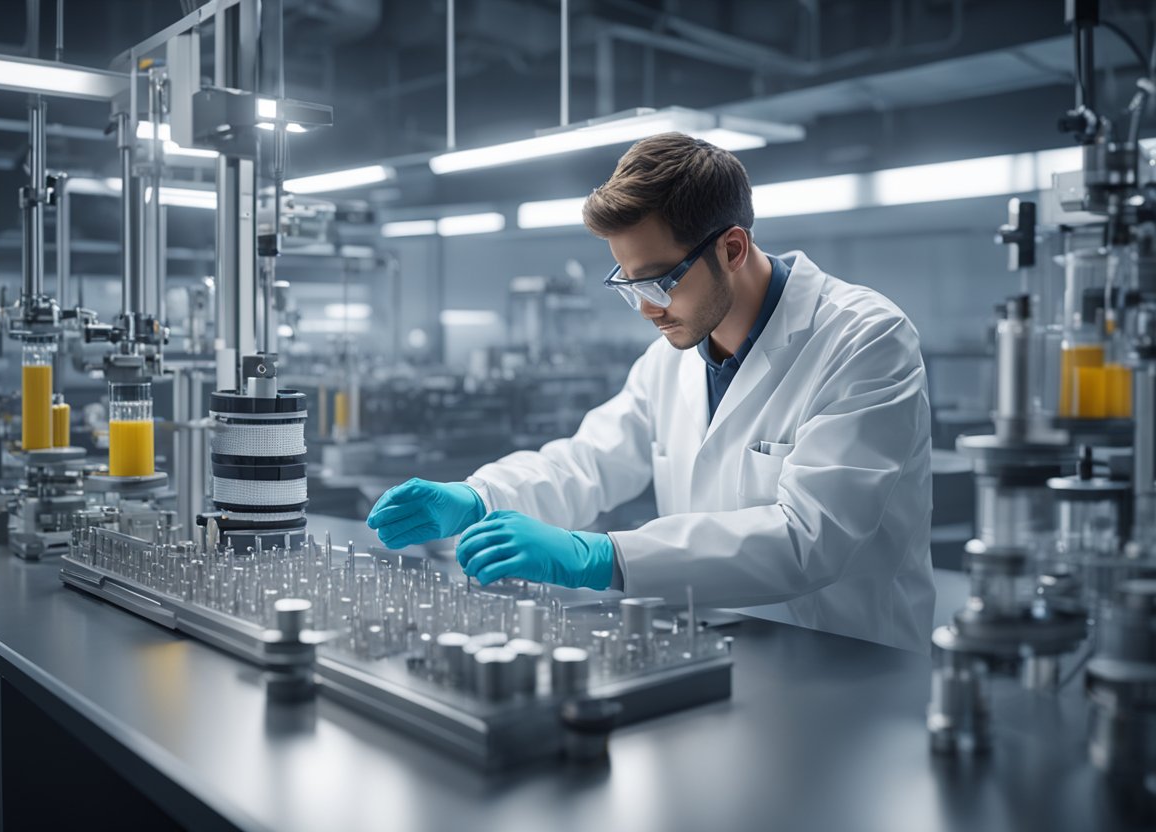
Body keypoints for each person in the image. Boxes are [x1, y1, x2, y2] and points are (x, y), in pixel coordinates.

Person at [367, 132, 935, 653]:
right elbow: (591, 459)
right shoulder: (672, 358)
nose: (645, 308)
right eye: (629, 283)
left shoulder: (865, 339)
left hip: (846, 666)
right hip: (711, 648)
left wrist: (605, 557)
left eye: (660, 280)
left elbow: (808, 538)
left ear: (732, 249)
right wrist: (480, 496)